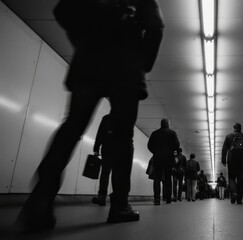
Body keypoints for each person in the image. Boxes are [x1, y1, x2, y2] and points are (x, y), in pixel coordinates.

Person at [16, 0, 164, 230]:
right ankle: (119, 206)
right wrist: (143, 62)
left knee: (73, 126)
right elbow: (156, 26)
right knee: (123, 137)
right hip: (126, 67)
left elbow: (63, 10)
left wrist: (84, 41)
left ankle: (40, 200)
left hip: (90, 61)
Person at [148, 119, 180, 205]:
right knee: (168, 179)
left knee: (157, 179)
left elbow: (149, 145)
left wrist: (155, 152)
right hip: (168, 159)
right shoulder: (172, 133)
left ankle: (157, 199)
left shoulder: (155, 133)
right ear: (168, 124)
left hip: (158, 158)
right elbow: (177, 145)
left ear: (161, 124)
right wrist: (173, 153)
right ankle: (168, 198)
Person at [221, 123, 243, 204]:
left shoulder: (228, 136)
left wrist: (223, 160)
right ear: (240, 128)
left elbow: (224, 149)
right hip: (241, 161)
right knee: (240, 179)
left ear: (233, 128)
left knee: (232, 178)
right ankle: (239, 199)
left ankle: (233, 194)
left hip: (231, 160)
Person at [91, 114, 113, 206]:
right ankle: (118, 199)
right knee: (115, 174)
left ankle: (102, 197)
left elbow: (100, 134)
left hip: (107, 148)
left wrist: (96, 147)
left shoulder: (107, 118)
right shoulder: (124, 117)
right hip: (116, 150)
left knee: (105, 173)